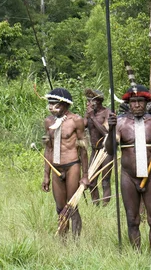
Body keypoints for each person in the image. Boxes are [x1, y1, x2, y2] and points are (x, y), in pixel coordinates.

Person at [105, 84, 151, 250]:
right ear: (128, 103)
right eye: (133, 101)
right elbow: (110, 150)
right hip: (128, 177)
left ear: (147, 103)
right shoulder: (120, 123)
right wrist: (110, 129)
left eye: (140, 101)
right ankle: (136, 256)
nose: (136, 105)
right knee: (132, 219)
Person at [42, 87, 89, 237]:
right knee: (60, 207)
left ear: (65, 105)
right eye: (49, 103)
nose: (51, 107)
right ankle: (63, 241)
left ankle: (75, 242)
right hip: (55, 167)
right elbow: (48, 150)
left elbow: (83, 149)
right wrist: (46, 175)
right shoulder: (48, 121)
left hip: (72, 166)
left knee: (72, 205)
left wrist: (85, 175)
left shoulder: (76, 120)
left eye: (55, 104)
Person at [84, 88, 112, 206]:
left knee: (105, 181)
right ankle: (96, 206)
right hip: (94, 151)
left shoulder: (107, 113)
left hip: (106, 150)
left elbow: (106, 132)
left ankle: (105, 206)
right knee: (91, 181)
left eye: (90, 101)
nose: (88, 104)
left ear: (98, 102)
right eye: (87, 101)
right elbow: (82, 126)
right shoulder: (89, 114)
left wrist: (93, 118)